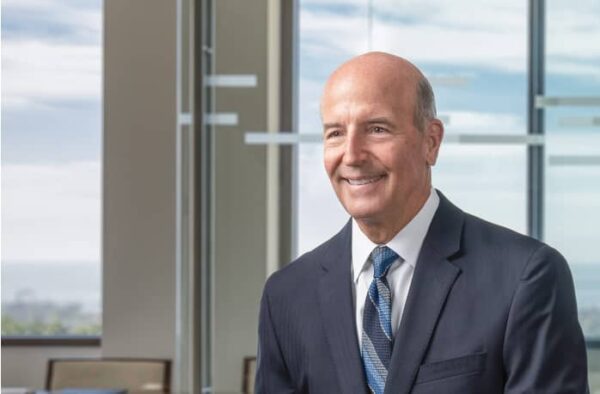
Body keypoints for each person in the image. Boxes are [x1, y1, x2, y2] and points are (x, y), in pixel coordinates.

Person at [255, 52, 589, 393]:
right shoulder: (286, 297)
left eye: (377, 129)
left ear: (431, 142)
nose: (352, 155)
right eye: (335, 133)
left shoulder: (525, 277)